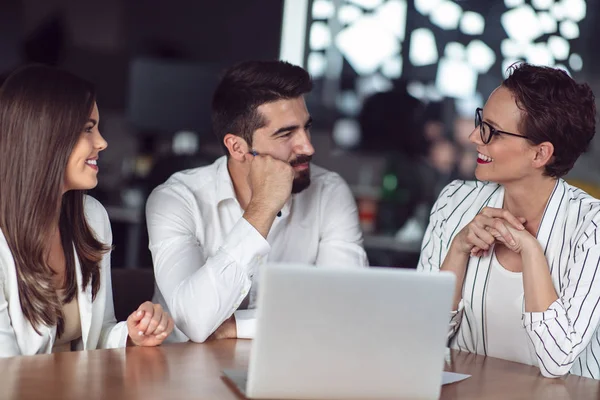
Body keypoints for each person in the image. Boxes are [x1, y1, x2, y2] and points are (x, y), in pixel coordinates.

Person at [146, 60, 368, 343]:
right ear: (238, 147)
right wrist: (262, 208)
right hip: (183, 373)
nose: (308, 147)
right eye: (286, 134)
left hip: (288, 370)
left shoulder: (330, 193)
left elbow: (348, 310)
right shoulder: (178, 198)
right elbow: (195, 321)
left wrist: (234, 327)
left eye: (306, 128)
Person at [418, 63, 600, 378]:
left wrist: (531, 252)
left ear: (540, 154)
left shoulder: (591, 228)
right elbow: (418, 337)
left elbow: (557, 361)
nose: (475, 137)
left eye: (491, 130)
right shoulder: (454, 202)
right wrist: (458, 249)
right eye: (480, 121)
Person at [0, 65, 174, 357]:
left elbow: (97, 332)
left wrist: (131, 334)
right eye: (87, 129)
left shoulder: (91, 217)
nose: (102, 142)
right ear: (45, 137)